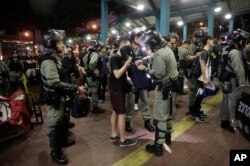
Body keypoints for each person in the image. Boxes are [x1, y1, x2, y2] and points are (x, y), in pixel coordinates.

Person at [40, 29, 85, 165]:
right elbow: (54, 83)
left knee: (61, 123)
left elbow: (63, 71)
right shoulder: (48, 61)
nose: (62, 45)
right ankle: (55, 152)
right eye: (59, 42)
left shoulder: (56, 58)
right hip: (54, 98)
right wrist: (76, 88)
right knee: (54, 125)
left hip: (60, 97)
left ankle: (61, 143)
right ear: (52, 44)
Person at [136, 30, 179, 156]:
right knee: (168, 114)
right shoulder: (167, 48)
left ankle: (158, 147)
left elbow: (157, 74)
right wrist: (144, 60)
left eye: (149, 45)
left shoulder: (160, 54)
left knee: (160, 117)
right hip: (172, 87)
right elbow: (154, 57)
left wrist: (145, 68)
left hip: (163, 88)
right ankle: (167, 138)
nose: (148, 47)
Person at [124, 29, 154, 133]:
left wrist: (144, 65)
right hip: (131, 81)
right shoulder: (126, 50)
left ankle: (147, 122)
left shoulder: (143, 50)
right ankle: (127, 121)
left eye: (141, 37)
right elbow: (122, 65)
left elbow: (149, 60)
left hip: (142, 79)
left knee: (145, 102)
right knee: (130, 103)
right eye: (138, 37)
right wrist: (132, 65)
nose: (140, 39)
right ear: (132, 38)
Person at [109, 38, 137, 147]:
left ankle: (113, 134)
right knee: (121, 114)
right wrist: (127, 63)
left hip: (118, 88)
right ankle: (123, 140)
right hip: (117, 90)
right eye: (127, 45)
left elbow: (124, 74)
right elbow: (117, 74)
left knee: (115, 111)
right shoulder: (114, 58)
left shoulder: (121, 58)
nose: (129, 48)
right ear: (121, 45)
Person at [220, 29, 248, 131]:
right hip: (232, 81)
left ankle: (224, 120)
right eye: (242, 40)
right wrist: (243, 87)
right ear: (238, 40)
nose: (243, 42)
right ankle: (231, 124)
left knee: (225, 100)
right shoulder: (235, 52)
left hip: (226, 80)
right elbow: (239, 70)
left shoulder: (226, 49)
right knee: (232, 102)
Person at [192, 36, 214, 120]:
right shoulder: (204, 52)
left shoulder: (206, 52)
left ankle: (197, 111)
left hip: (204, 77)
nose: (213, 42)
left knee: (200, 96)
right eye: (212, 40)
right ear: (208, 41)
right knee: (199, 96)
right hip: (201, 78)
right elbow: (202, 65)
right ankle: (195, 113)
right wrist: (205, 78)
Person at [85, 41, 105, 114]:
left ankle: (90, 106)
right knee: (94, 91)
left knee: (90, 90)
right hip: (92, 75)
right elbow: (92, 63)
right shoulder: (95, 54)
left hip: (89, 75)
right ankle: (94, 107)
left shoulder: (89, 53)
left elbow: (84, 60)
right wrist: (94, 69)